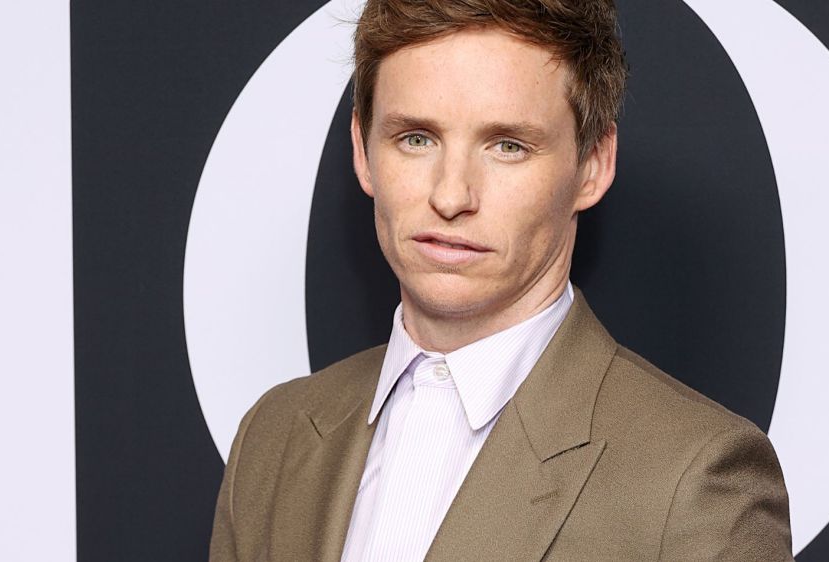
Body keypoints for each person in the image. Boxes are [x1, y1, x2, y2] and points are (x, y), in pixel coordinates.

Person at [209, 0, 793, 560]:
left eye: (507, 146)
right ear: (363, 150)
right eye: (416, 138)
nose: (451, 195)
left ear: (593, 165)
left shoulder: (695, 479)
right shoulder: (273, 437)